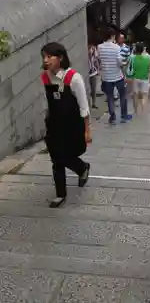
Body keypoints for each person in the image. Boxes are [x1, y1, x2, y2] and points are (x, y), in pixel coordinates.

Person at [41, 42, 91, 208]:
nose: (46, 60)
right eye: (44, 57)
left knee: (66, 156)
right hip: (54, 125)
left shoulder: (74, 78)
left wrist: (87, 130)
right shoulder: (46, 77)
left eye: (49, 56)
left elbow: (84, 106)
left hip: (72, 125)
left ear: (60, 57)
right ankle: (60, 194)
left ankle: (82, 167)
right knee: (56, 160)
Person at [98, 28, 132, 125]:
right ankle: (124, 116)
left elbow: (99, 59)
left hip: (106, 77)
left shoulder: (99, 47)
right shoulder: (116, 47)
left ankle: (112, 117)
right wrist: (124, 63)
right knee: (122, 96)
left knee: (110, 97)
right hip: (117, 76)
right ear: (112, 36)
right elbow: (120, 62)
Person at [127, 42, 150, 114]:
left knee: (135, 95)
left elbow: (128, 66)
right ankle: (143, 111)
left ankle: (136, 112)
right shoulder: (149, 58)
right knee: (144, 96)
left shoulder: (132, 57)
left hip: (135, 78)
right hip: (145, 79)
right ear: (143, 49)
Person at [88, 42, 100, 109]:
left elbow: (96, 60)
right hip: (87, 73)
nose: (91, 51)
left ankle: (94, 103)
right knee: (88, 89)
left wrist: (98, 69)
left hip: (93, 73)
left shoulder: (93, 49)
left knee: (93, 89)